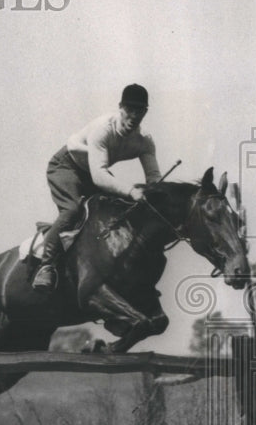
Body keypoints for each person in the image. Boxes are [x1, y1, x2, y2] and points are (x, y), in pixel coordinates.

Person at [32, 84, 161, 292]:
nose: (133, 116)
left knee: (115, 213)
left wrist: (157, 194)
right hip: (66, 166)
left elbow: (154, 177)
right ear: (120, 107)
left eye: (139, 110)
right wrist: (132, 190)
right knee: (72, 210)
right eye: (129, 109)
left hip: (92, 171)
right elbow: (100, 177)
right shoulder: (104, 129)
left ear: (145, 112)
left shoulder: (145, 141)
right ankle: (45, 266)